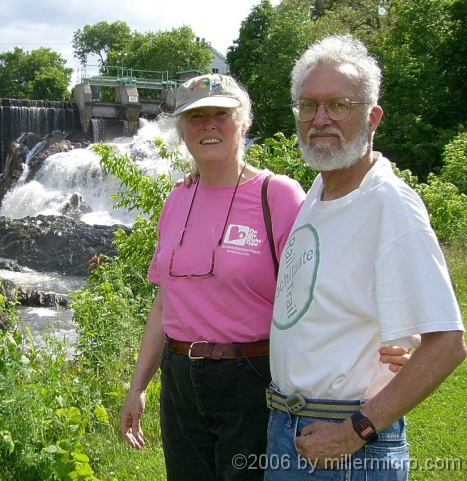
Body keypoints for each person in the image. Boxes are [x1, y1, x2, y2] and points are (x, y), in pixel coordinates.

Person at [119, 73, 411, 481]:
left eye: (221, 114)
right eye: (195, 117)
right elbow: (165, 301)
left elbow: (332, 281)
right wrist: (139, 387)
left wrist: (396, 333)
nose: (208, 125)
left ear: (243, 122)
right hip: (180, 377)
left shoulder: (278, 196)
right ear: (182, 131)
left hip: (252, 378)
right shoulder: (177, 198)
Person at [265, 35, 466, 480]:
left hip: (345, 445)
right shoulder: (320, 191)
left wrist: (357, 430)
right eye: (308, 106)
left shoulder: (389, 203)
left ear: (372, 117)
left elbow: (448, 343)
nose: (320, 120)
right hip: (291, 427)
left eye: (338, 105)